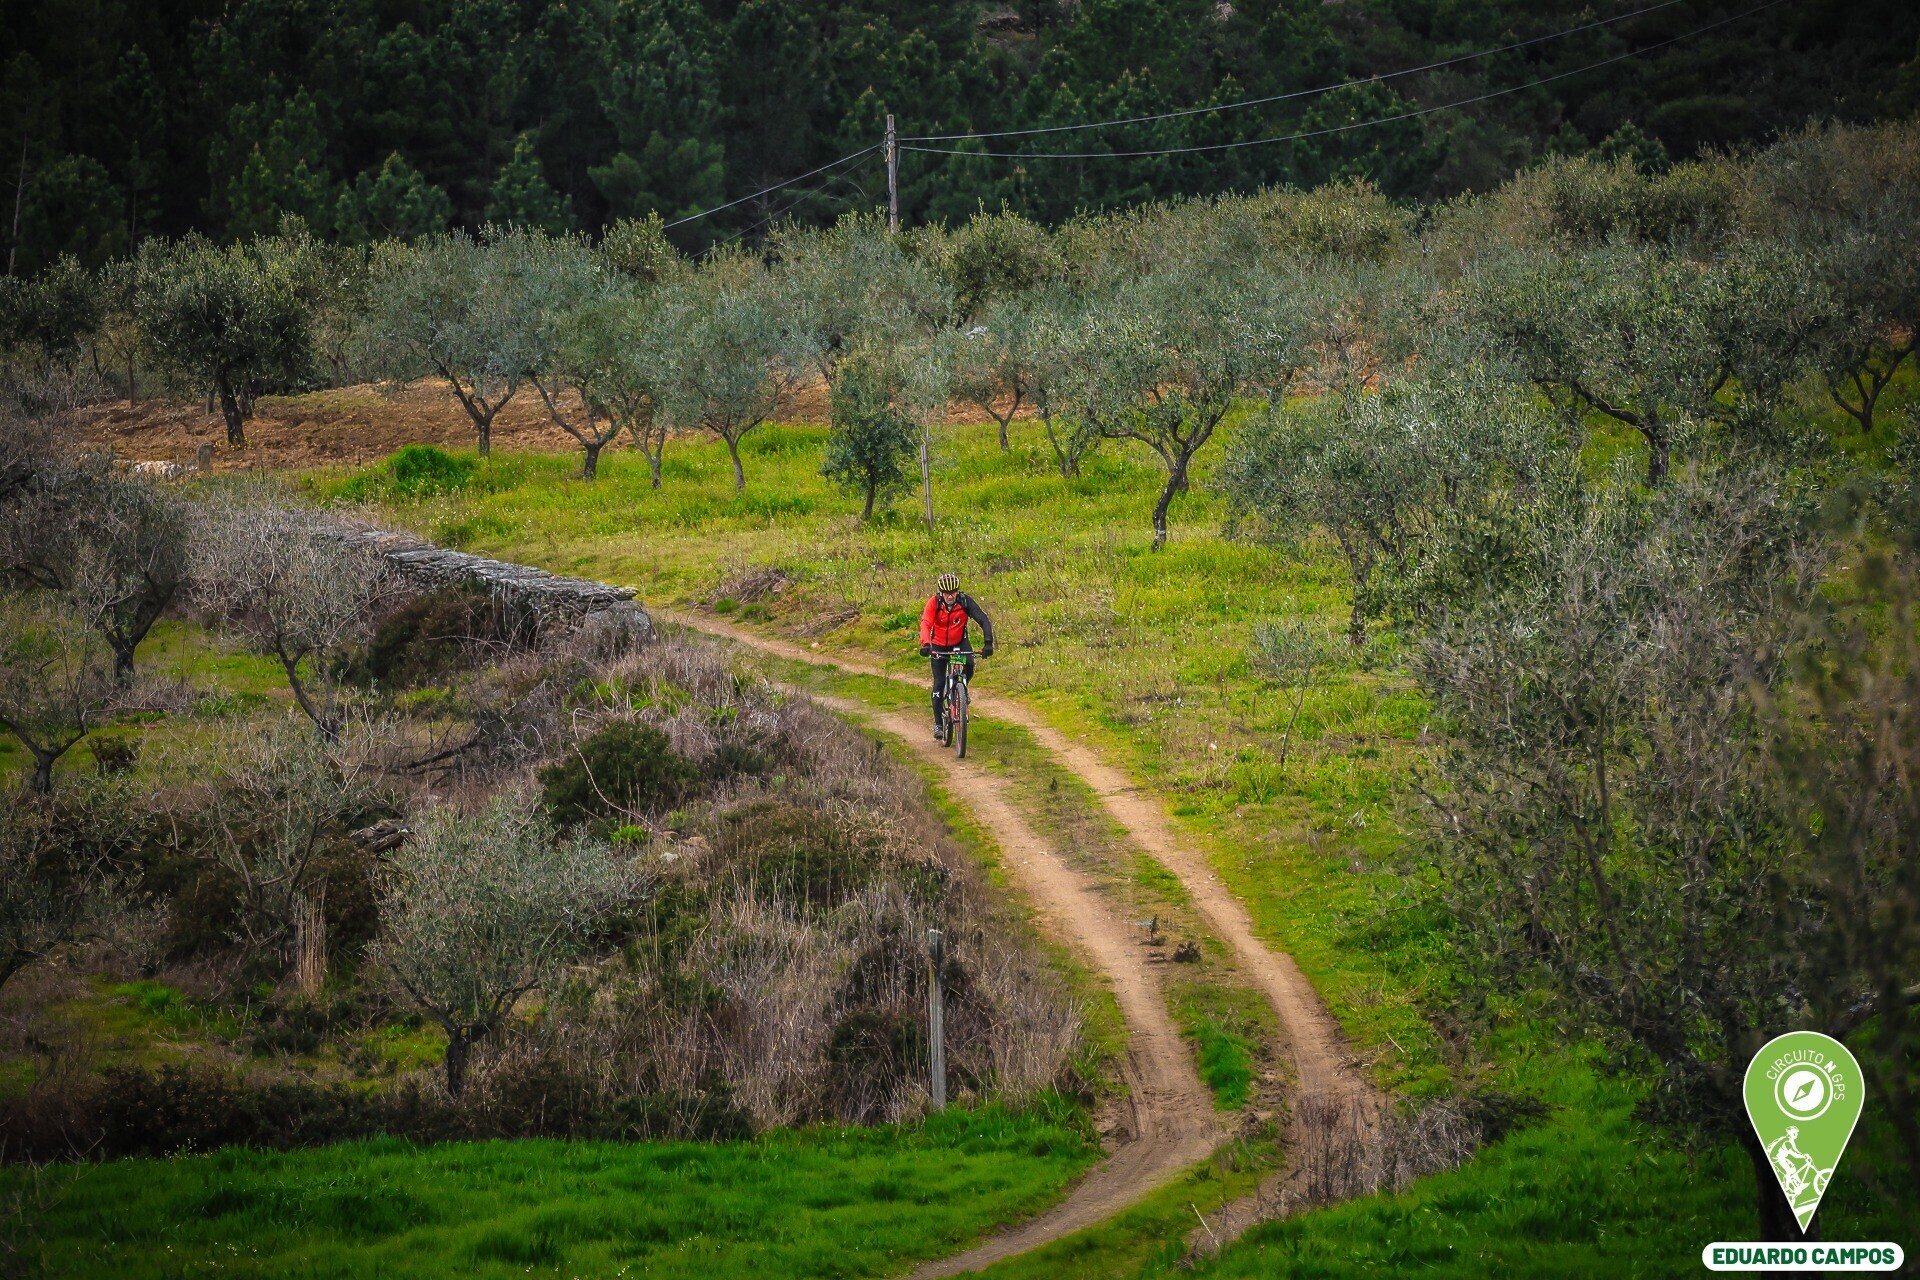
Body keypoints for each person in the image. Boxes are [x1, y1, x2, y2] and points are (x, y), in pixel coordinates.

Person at [919, 572, 994, 739]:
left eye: (953, 592)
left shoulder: (965, 601)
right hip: (938, 645)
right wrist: (926, 644)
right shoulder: (934, 603)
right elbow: (926, 623)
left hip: (959, 643)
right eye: (946, 593)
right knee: (939, 684)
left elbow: (983, 619)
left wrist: (988, 643)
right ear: (941, 593)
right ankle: (938, 724)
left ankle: (962, 689)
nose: (950, 596)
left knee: (970, 665)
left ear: (958, 591)